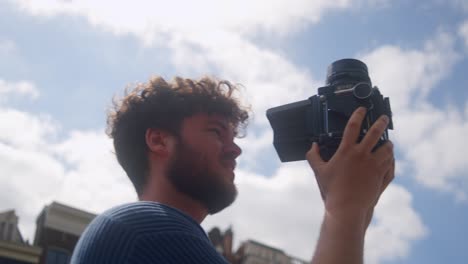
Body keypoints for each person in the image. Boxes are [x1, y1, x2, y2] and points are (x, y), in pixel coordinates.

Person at [70, 76, 394, 264]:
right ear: (158, 141)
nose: (235, 148)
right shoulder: (146, 229)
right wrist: (345, 208)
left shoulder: (139, 235)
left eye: (233, 136)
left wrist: (357, 206)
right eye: (215, 131)